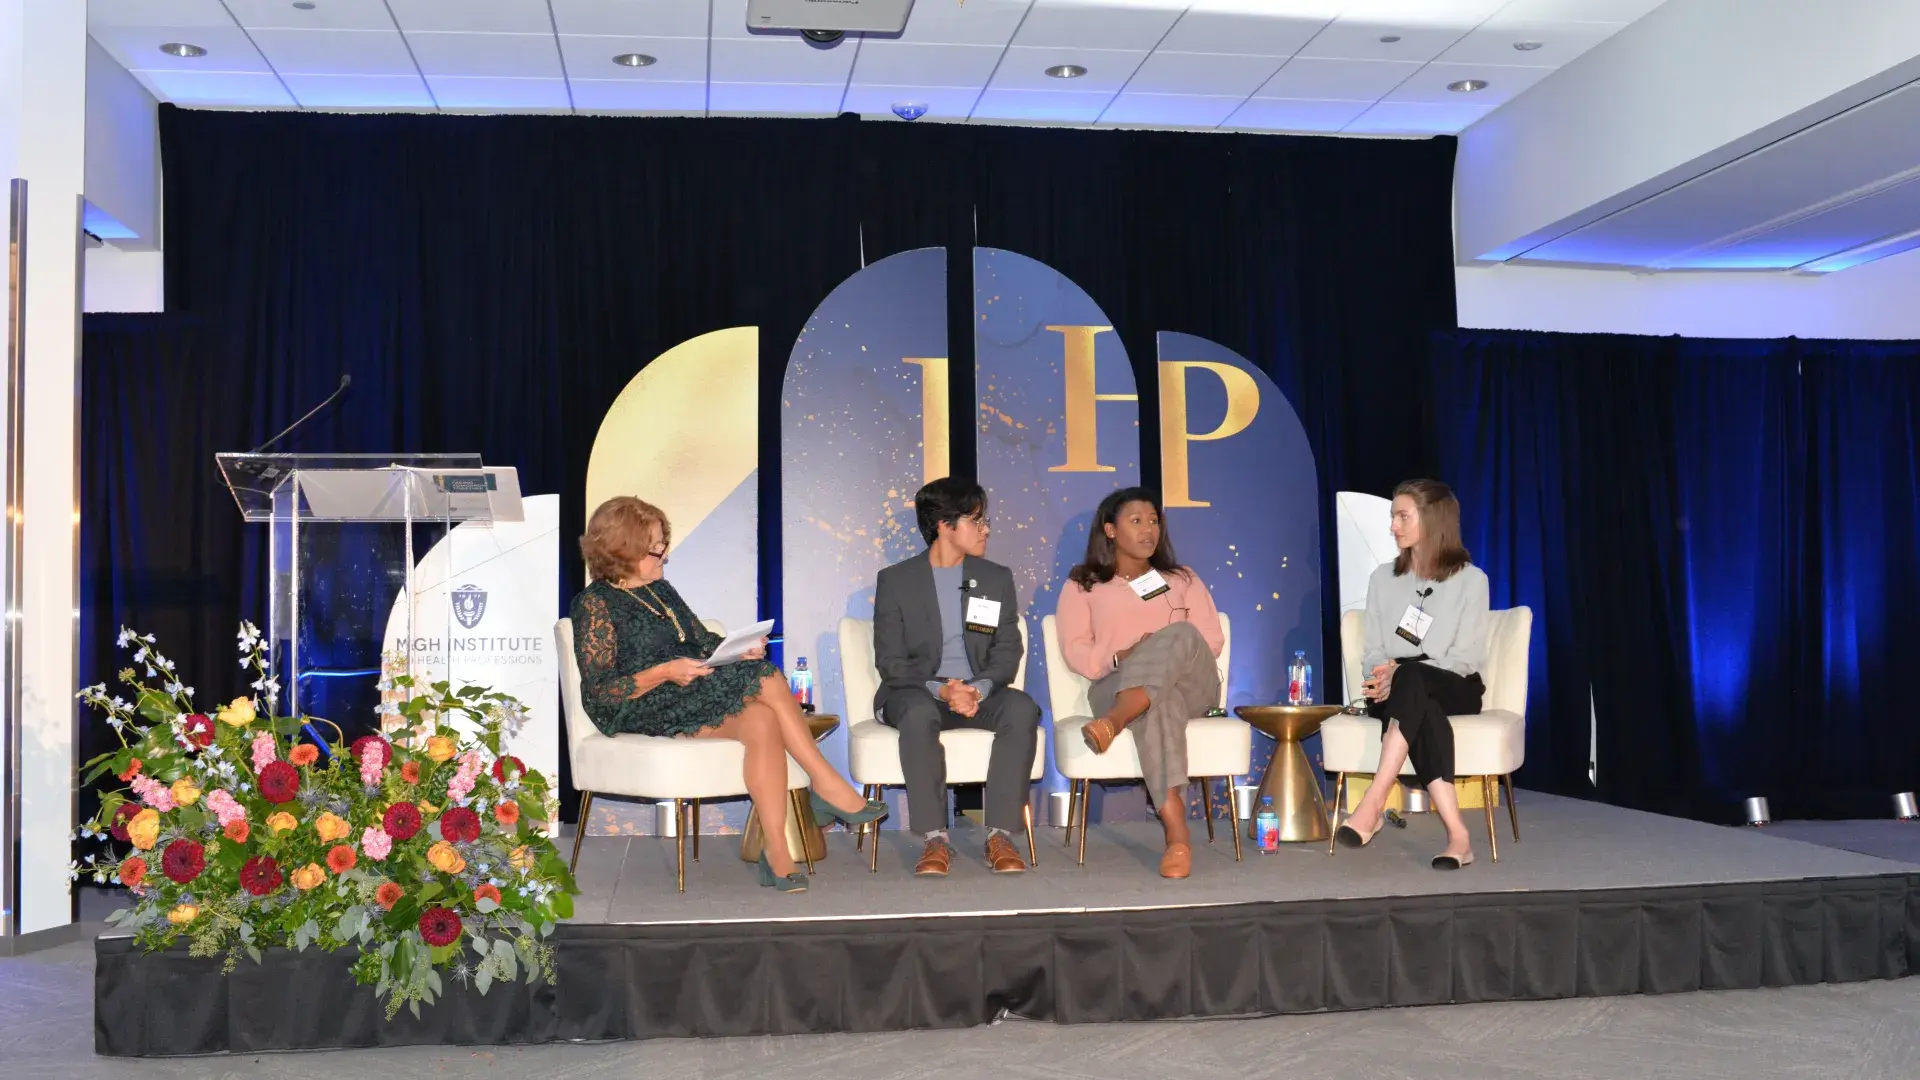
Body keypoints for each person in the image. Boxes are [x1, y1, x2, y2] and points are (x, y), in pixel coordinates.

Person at [569, 496, 886, 893]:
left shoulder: (660, 591)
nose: (664, 554)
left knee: (762, 716)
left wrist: (737, 649)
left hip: (687, 689)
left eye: (663, 544)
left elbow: (701, 641)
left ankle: (777, 853)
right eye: (655, 548)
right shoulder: (594, 604)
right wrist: (665, 671)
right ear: (622, 549)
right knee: (766, 677)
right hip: (637, 705)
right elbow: (601, 690)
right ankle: (825, 784)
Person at [872, 478, 1041, 877]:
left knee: (1021, 708)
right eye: (977, 521)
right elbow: (891, 661)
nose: (986, 529)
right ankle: (935, 839)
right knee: (916, 715)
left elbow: (1006, 650)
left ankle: (998, 834)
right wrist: (942, 688)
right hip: (916, 690)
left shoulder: (995, 577)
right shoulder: (895, 581)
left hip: (977, 691)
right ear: (945, 525)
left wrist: (977, 690)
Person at [1055, 488, 1225, 880]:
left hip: (1190, 682)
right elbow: (1076, 650)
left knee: (1181, 633)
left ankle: (1114, 722)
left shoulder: (1182, 579)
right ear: (1110, 530)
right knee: (1156, 703)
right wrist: (1122, 656)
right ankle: (1177, 834)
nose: (1148, 530)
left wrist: (1160, 647)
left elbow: (1210, 640)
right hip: (1115, 681)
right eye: (1136, 521)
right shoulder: (1084, 584)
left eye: (1153, 521)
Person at [1335, 479, 1491, 870]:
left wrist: (1403, 671)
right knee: (1419, 705)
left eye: (1402, 516)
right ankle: (1459, 837)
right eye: (1392, 516)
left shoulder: (1472, 580)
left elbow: (1465, 658)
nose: (1393, 526)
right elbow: (1372, 651)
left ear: (1434, 518)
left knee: (1414, 680)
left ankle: (1373, 801)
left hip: (1453, 684)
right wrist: (1383, 672)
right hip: (1392, 688)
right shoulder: (1381, 579)